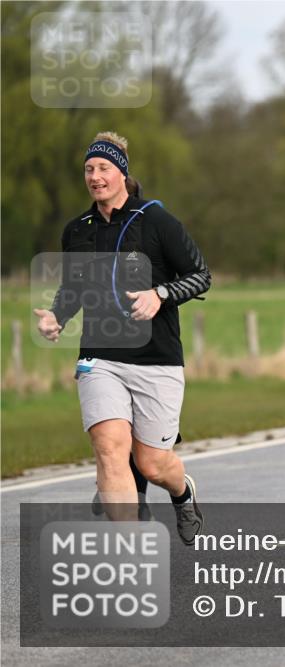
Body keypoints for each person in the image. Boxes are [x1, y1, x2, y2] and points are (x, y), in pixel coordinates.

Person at [34, 131, 211, 544]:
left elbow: (201, 275)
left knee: (150, 463)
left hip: (156, 358)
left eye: (103, 168)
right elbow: (73, 289)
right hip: (101, 356)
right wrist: (57, 317)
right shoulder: (76, 230)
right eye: (88, 169)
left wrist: (160, 294)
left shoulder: (156, 221)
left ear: (122, 174)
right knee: (110, 449)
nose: (95, 176)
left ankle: (183, 493)